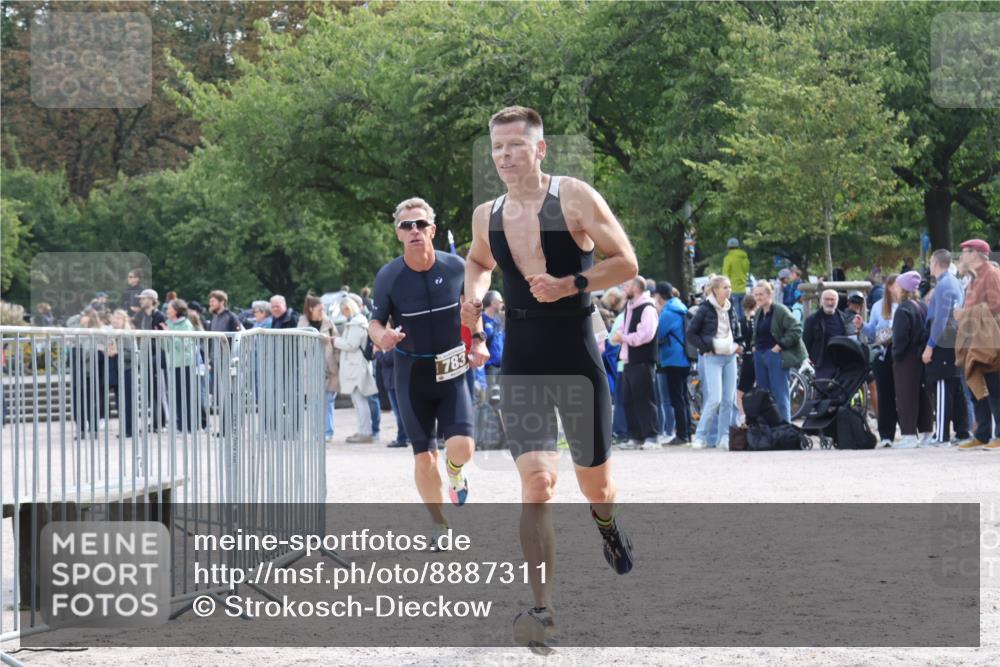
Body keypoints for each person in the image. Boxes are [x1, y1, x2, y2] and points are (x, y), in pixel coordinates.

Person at [462, 105, 637, 648]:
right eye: (497, 148)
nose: (505, 156)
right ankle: (542, 611)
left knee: (597, 487)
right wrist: (471, 300)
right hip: (524, 358)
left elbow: (626, 262)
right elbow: (476, 261)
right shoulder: (486, 214)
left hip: (576, 350)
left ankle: (607, 527)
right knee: (537, 485)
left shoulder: (575, 197)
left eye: (516, 145)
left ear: (540, 149)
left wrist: (571, 284)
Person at [369, 197, 475, 540]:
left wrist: (481, 339)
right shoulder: (389, 277)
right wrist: (382, 336)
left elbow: (474, 310)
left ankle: (456, 472)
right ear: (398, 234)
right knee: (424, 458)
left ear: (432, 229)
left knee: (462, 446)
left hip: (452, 369)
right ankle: (439, 524)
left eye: (419, 224)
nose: (413, 230)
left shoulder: (456, 267)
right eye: (406, 226)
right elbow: (374, 323)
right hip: (411, 374)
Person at [922, 250, 970, 446]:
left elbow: (940, 320)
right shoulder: (955, 282)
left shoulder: (943, 285)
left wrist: (930, 346)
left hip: (944, 340)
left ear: (935, 262)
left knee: (942, 385)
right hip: (955, 338)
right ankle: (962, 430)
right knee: (956, 387)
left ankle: (942, 434)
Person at [955, 239, 1000, 450]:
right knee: (975, 387)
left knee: (995, 387)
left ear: (977, 254)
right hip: (974, 341)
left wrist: (965, 314)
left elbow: (996, 306)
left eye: (965, 252)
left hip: (989, 342)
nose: (961, 257)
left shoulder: (991, 273)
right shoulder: (971, 278)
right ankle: (981, 434)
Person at [687, 275, 741, 449]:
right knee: (715, 399)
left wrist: (740, 345)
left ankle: (724, 437)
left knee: (728, 400)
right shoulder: (705, 308)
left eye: (730, 287)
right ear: (716, 290)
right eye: (725, 287)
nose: (729, 290)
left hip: (730, 356)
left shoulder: (731, 308)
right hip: (713, 357)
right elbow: (691, 334)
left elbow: (737, 331)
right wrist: (705, 348)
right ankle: (701, 436)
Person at [611, 276, 659, 449]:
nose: (623, 287)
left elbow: (646, 334)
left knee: (644, 399)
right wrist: (619, 336)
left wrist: (622, 337)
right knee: (629, 400)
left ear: (637, 287)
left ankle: (651, 436)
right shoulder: (630, 306)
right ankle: (635, 437)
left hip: (642, 360)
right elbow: (624, 328)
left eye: (627, 284)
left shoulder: (647, 308)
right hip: (628, 360)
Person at [750, 281, 806, 423]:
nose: (758, 297)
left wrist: (779, 346)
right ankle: (769, 430)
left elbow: (796, 329)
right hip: (760, 356)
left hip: (775, 355)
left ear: (770, 295)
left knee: (781, 395)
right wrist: (753, 346)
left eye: (761, 294)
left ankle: (785, 428)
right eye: (756, 295)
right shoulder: (758, 312)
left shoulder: (780, 310)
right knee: (764, 395)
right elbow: (756, 334)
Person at [890, 271, 933, 448]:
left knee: (905, 395)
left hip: (906, 359)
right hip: (921, 356)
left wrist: (895, 354)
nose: (894, 289)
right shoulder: (922, 305)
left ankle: (908, 434)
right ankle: (926, 432)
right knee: (923, 396)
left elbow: (900, 337)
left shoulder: (903, 308)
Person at [862, 274, 900, 447]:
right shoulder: (878, 306)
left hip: (901, 352)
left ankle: (909, 430)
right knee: (885, 395)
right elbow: (872, 330)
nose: (894, 289)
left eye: (897, 285)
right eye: (891, 285)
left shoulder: (905, 304)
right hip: (882, 353)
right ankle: (886, 434)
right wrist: (861, 326)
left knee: (903, 393)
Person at [334, 297, 378, 443]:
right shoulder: (358, 322)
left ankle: (365, 432)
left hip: (356, 366)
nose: (343, 313)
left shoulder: (356, 324)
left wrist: (334, 341)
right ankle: (362, 431)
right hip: (357, 365)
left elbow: (351, 345)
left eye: (343, 310)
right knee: (359, 401)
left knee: (360, 401)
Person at [299, 294, 340, 442]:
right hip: (311, 369)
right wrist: (320, 338)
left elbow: (337, 342)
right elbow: (301, 345)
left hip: (330, 368)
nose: (322, 311)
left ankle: (328, 432)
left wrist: (336, 360)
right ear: (310, 309)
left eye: (323, 309)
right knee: (314, 402)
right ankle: (317, 432)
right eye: (319, 309)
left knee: (328, 401)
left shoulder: (329, 323)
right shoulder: (302, 324)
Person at [654, 281, 690, 445]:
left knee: (677, 399)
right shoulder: (680, 307)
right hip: (684, 358)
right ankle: (687, 433)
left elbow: (658, 334)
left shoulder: (668, 312)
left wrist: (659, 312)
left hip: (672, 359)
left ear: (659, 296)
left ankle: (681, 435)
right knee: (684, 398)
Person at [165, 299, 207, 432]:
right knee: (177, 395)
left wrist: (169, 334)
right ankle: (180, 424)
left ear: (176, 310)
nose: (167, 311)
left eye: (169, 308)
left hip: (186, 364)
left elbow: (185, 344)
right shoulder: (168, 323)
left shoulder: (186, 324)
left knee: (188, 395)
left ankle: (190, 425)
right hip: (174, 363)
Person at [131, 288, 169, 431]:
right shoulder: (139, 316)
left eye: (143, 298)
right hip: (145, 357)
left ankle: (160, 422)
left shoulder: (160, 316)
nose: (140, 300)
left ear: (152, 300)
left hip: (157, 358)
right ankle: (154, 422)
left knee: (159, 391)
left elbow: (164, 338)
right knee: (149, 392)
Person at [803, 289, 861, 380]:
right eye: (826, 299)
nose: (829, 302)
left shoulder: (844, 319)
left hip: (840, 362)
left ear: (837, 301)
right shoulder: (812, 320)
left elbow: (851, 338)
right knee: (822, 391)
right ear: (821, 301)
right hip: (821, 363)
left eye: (832, 299)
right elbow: (806, 342)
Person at [107, 309, 135, 439]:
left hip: (126, 372)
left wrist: (117, 352)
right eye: (114, 318)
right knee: (119, 402)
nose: (115, 321)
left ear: (124, 321)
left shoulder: (127, 335)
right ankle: (124, 428)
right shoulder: (112, 335)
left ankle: (130, 428)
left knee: (127, 402)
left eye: (118, 318)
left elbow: (133, 355)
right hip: (116, 372)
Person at [735, 293, 757, 425]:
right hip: (759, 358)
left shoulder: (741, 322)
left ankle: (743, 417)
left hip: (747, 358)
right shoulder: (760, 319)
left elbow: (738, 340)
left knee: (740, 393)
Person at [482, 290, 505, 386]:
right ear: (493, 302)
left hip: (501, 368)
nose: (502, 304)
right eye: (500, 301)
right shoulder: (481, 320)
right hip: (488, 368)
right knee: (490, 399)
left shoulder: (498, 322)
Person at [722, 237, 750, 319]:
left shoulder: (728, 258)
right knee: (744, 312)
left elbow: (725, 274)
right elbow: (746, 270)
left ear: (728, 247)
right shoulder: (744, 258)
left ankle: (739, 330)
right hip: (743, 288)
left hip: (733, 289)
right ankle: (745, 329)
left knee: (736, 314)